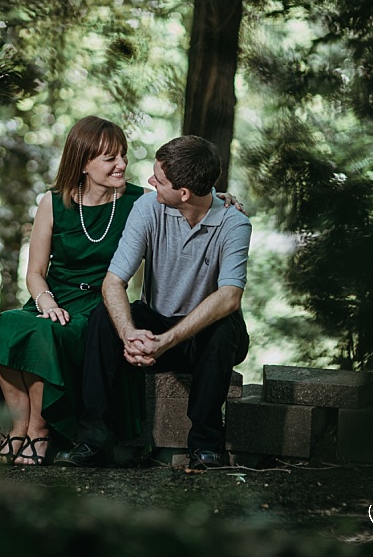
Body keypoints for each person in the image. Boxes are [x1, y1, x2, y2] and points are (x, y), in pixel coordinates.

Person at [0, 119, 244, 467]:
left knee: (219, 326)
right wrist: (123, 332)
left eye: (122, 155)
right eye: (111, 158)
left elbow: (228, 290)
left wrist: (217, 197)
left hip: (153, 316)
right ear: (83, 163)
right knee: (49, 321)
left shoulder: (190, 211)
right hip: (92, 305)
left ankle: (203, 446)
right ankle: (57, 436)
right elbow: (81, 277)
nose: (128, 168)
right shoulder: (136, 205)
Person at [56, 135, 252, 471]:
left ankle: (207, 447)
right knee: (103, 316)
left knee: (223, 326)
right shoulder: (148, 208)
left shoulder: (234, 222)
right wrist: (130, 333)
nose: (149, 182)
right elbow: (113, 281)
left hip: (203, 335)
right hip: (156, 324)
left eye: (158, 179)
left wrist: (166, 342)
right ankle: (94, 441)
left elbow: (230, 297)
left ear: (185, 193)